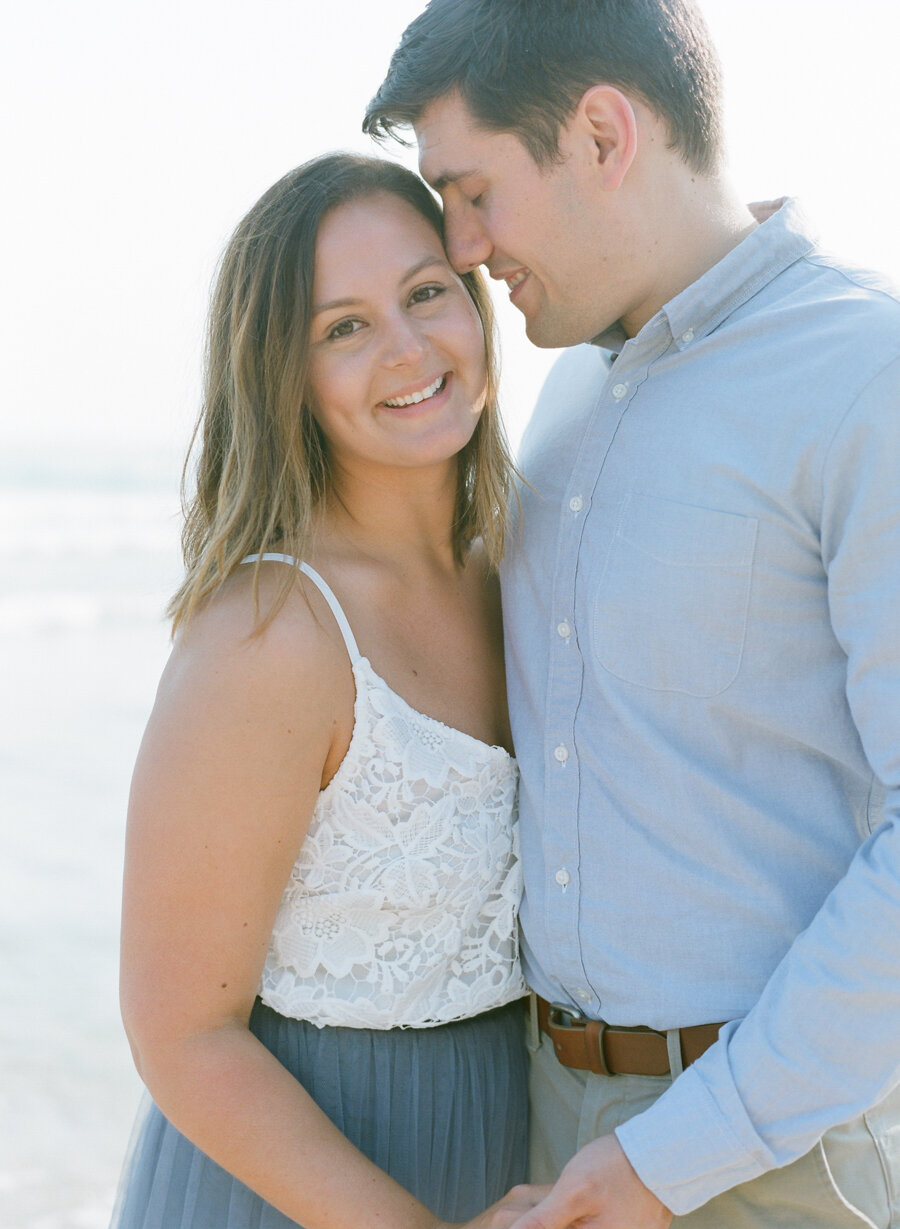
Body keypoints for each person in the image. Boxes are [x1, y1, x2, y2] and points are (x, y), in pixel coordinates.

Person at [364, 1, 900, 1226]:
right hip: (550, 1127)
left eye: (473, 189)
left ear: (603, 133)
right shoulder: (563, 393)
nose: (460, 242)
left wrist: (679, 1150)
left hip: (776, 1158)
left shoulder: (871, 376)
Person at [111, 152, 545, 1229]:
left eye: (426, 291)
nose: (406, 347)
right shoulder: (269, 638)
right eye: (342, 327)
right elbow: (180, 1033)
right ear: (284, 376)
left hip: (508, 1148)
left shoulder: (527, 575)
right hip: (294, 1187)